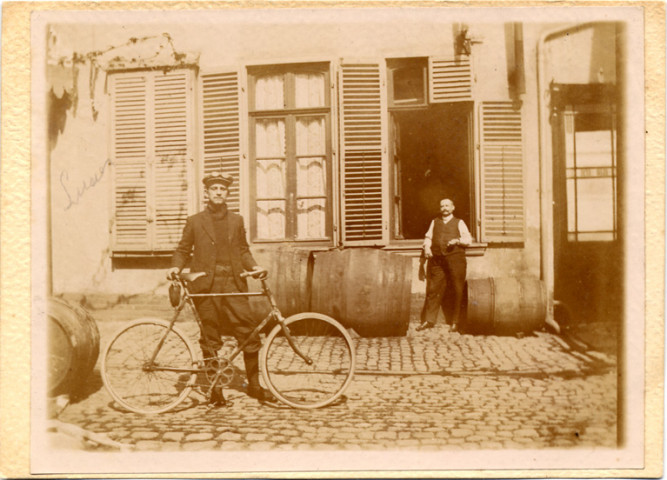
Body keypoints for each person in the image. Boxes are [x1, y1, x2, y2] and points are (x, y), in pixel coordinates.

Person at [167, 172, 275, 407]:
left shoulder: (236, 220)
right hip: (206, 284)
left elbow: (243, 250)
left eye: (222, 189)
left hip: (233, 283)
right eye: (214, 188)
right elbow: (183, 249)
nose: (218, 192)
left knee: (248, 331)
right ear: (206, 193)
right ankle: (215, 389)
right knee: (210, 335)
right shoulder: (195, 221)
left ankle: (255, 386)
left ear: (227, 193)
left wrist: (254, 267)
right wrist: (176, 268)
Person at [417, 198, 472, 332]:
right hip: (437, 259)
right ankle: (429, 320)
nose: (444, 208)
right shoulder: (434, 222)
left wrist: (457, 241)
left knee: (458, 289)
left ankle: (456, 322)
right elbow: (428, 237)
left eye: (447, 206)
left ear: (453, 208)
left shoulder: (459, 222)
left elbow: (468, 240)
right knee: (433, 289)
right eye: (442, 206)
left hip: (455, 259)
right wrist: (427, 248)